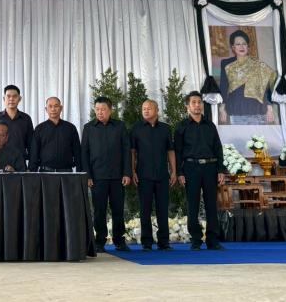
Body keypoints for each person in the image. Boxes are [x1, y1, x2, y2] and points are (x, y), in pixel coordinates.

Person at [175, 91, 226, 251]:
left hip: (210, 167)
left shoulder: (210, 125)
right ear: (187, 106)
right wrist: (180, 173)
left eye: (199, 102)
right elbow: (177, 152)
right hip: (191, 168)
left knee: (212, 204)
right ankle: (196, 240)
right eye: (194, 102)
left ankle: (213, 240)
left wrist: (221, 170)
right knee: (193, 205)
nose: (197, 105)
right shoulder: (181, 126)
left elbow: (218, 148)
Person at [81, 96, 132, 253]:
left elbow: (126, 151)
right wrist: (88, 175)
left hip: (118, 176)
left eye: (103, 109)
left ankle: (119, 241)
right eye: (97, 109)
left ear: (110, 110)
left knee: (118, 210)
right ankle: (100, 241)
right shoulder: (89, 128)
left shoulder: (120, 126)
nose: (100, 112)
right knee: (99, 211)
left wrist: (127, 173)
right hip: (97, 177)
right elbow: (84, 153)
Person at [130, 100, 176, 251]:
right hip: (143, 175)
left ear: (157, 110)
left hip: (162, 175)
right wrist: (132, 171)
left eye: (149, 108)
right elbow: (132, 152)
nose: (146, 110)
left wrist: (174, 171)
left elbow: (170, 151)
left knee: (163, 209)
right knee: (145, 210)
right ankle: (147, 242)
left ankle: (164, 242)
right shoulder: (136, 129)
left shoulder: (165, 129)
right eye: (143, 108)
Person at [218, 30, 278, 126]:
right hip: (237, 110)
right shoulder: (226, 64)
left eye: (244, 44)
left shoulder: (258, 64)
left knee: (259, 136)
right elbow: (224, 86)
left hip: (258, 109)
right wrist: (222, 108)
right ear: (233, 47)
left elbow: (266, 87)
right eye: (238, 44)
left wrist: (270, 108)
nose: (241, 47)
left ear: (248, 47)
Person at [29, 97, 82, 172]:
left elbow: (77, 152)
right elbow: (34, 153)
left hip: (66, 172)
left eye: (56, 106)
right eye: (50, 106)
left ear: (61, 108)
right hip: (45, 172)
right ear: (46, 109)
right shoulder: (39, 128)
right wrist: (32, 172)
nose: (53, 109)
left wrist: (80, 173)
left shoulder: (70, 128)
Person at [0, 85, 33, 160]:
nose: (11, 99)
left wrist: (31, 163)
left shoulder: (26, 118)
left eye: (15, 96)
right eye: (8, 96)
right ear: (4, 98)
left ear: (19, 99)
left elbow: (31, 144)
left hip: (20, 160)